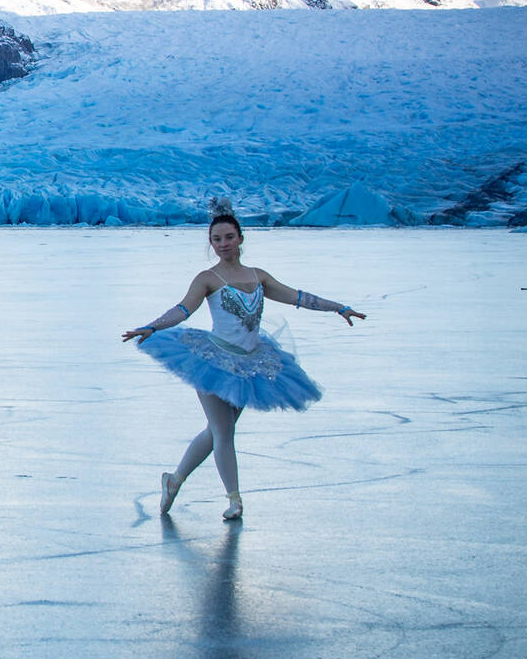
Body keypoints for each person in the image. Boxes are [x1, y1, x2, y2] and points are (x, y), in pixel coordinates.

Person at [122, 203, 365, 521]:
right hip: (213, 362)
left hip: (251, 364)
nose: (222, 244)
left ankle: (174, 479)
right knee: (223, 432)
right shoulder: (208, 278)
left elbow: (299, 298)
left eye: (228, 237)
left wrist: (339, 307)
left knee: (216, 430)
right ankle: (234, 500)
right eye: (216, 240)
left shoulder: (258, 276)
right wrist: (153, 326)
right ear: (211, 244)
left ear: (240, 238)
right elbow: (183, 309)